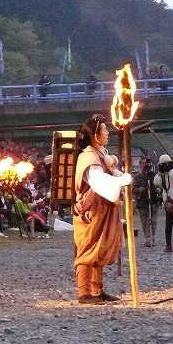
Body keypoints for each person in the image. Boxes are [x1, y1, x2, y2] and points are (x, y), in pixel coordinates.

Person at [73, 114, 132, 305]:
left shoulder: (101, 155)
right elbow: (99, 182)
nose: (108, 133)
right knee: (88, 249)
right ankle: (84, 292)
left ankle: (97, 290)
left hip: (103, 210)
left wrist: (118, 174)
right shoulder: (88, 157)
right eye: (104, 130)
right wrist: (120, 180)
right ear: (95, 135)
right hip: (91, 212)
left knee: (99, 250)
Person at [133, 157, 160, 247]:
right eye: (144, 163)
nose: (146, 165)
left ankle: (153, 237)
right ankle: (147, 239)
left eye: (147, 163)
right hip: (142, 202)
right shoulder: (137, 176)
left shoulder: (154, 175)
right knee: (144, 221)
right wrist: (139, 189)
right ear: (140, 164)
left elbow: (158, 185)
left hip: (153, 201)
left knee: (153, 220)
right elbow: (133, 189)